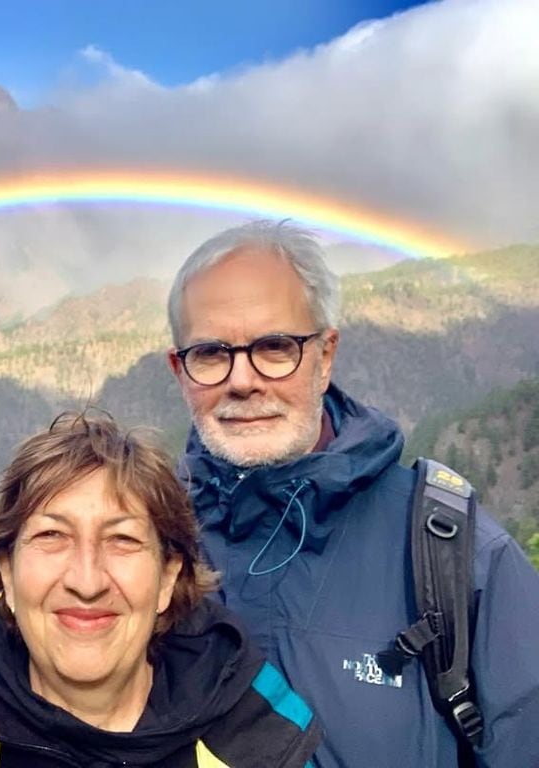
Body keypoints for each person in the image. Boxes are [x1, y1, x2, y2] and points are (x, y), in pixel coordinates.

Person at [164, 220, 539, 767]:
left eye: (275, 346)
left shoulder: (460, 558)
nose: (242, 380)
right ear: (180, 370)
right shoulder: (139, 544)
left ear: (326, 355)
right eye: (212, 353)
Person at [0, 411, 322, 767]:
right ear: (8, 575)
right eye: (52, 536)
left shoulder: (254, 742)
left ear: (168, 578)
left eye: (123, 540)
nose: (87, 581)